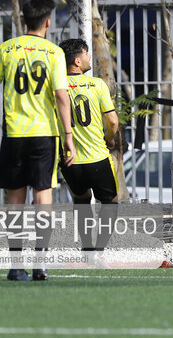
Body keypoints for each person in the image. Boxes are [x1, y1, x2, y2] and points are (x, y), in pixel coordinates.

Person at [0, 0, 76, 281]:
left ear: (24, 20)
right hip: (43, 135)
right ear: (48, 22)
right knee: (43, 198)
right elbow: (62, 96)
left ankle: (15, 266)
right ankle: (40, 265)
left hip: (14, 134)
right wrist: (69, 136)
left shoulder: (7, 49)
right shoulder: (54, 53)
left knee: (15, 201)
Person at [58, 39, 120, 262]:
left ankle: (86, 250)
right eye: (86, 53)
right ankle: (99, 251)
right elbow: (112, 121)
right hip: (97, 158)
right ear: (76, 61)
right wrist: (109, 139)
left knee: (81, 198)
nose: (89, 56)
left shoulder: (56, 86)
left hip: (69, 159)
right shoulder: (97, 85)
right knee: (110, 201)